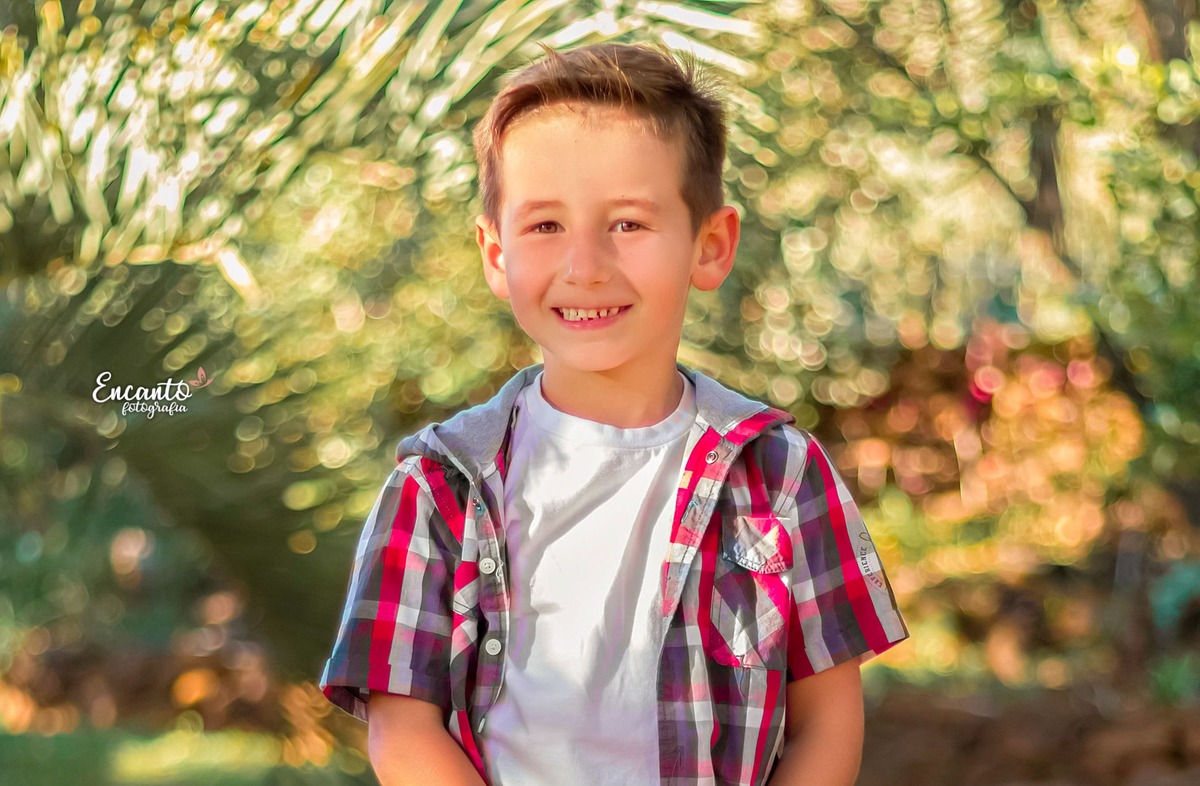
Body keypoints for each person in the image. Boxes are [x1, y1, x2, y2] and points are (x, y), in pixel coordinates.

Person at [318, 42, 909, 786]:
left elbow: (827, 723)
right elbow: (403, 732)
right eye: (545, 227)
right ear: (496, 255)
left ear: (710, 245)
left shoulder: (781, 474)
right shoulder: (439, 489)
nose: (586, 266)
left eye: (627, 224)